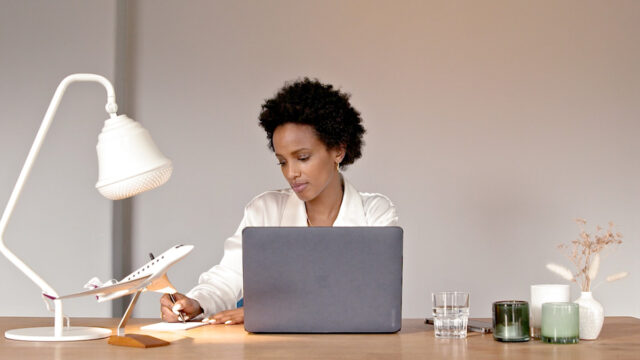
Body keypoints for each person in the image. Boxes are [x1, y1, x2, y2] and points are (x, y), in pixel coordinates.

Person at [160, 78, 398, 324]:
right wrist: (196, 303)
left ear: (338, 150)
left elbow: (372, 295)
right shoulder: (265, 209)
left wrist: (276, 311)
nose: (291, 173)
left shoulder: (375, 213)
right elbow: (229, 275)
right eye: (282, 161)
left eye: (303, 157)